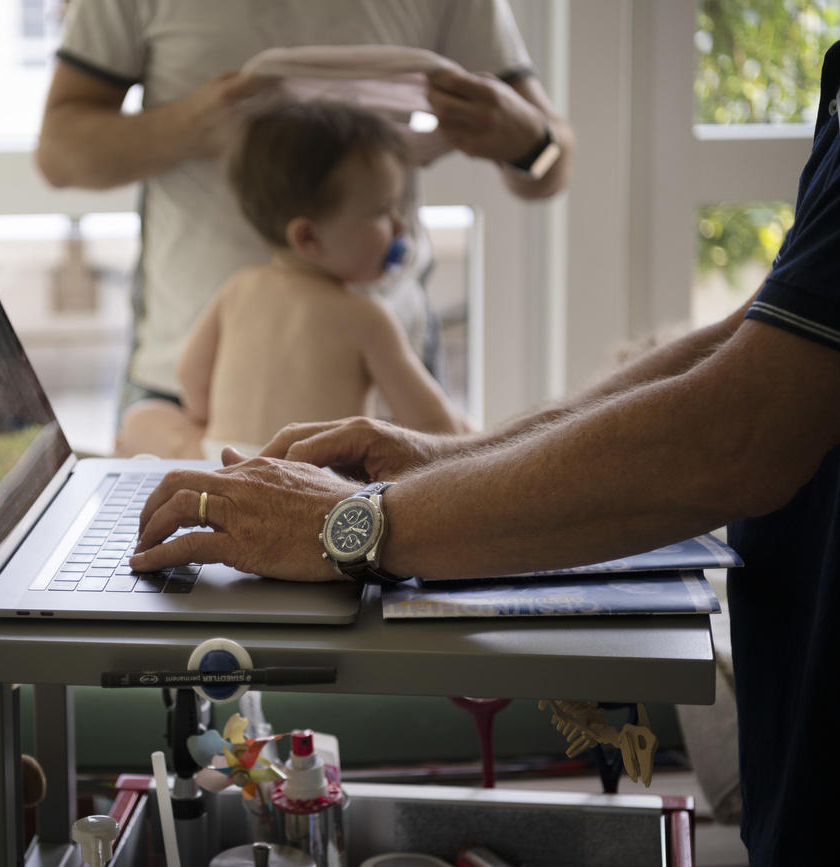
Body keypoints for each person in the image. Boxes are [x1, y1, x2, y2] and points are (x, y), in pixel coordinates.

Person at [130, 41, 840, 865]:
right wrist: (447, 456)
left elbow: (741, 430)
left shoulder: (242, 291)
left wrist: (352, 525)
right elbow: (746, 336)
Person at [34, 0, 575, 412]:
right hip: (185, 378)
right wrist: (188, 128)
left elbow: (552, 166)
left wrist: (528, 139)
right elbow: (58, 154)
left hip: (389, 373)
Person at [115, 99, 470, 460]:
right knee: (459, 427)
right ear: (308, 238)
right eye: (381, 212)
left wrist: (210, 423)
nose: (400, 226)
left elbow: (190, 374)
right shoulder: (368, 318)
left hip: (224, 462)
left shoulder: (240, 287)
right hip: (311, 477)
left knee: (144, 418)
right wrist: (459, 429)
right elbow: (433, 428)